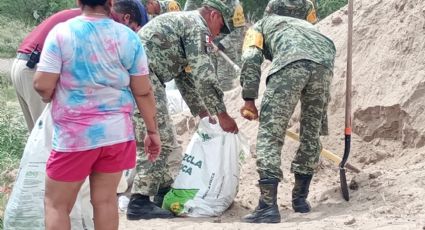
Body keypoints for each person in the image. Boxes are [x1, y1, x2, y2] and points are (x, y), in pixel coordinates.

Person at [33, 0, 160, 229]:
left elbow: (42, 84)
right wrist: (152, 131)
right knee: (105, 201)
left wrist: (49, 95)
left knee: (56, 205)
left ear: (78, 1)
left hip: (74, 138)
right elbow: (143, 91)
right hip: (116, 135)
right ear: (110, 3)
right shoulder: (128, 37)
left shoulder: (62, 32)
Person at [126, 0, 241, 220]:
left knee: (166, 138)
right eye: (221, 27)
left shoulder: (187, 24)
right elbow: (204, 76)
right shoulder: (198, 27)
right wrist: (223, 115)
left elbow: (185, 77)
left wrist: (204, 113)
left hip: (147, 76)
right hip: (144, 77)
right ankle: (139, 201)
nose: (219, 34)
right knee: (156, 135)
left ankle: (161, 195)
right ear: (214, 15)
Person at [238, 7, 336, 224]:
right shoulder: (307, 26)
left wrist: (248, 99)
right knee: (311, 134)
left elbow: (251, 57)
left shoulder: (262, 24)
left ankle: (267, 206)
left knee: (270, 135)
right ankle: (300, 200)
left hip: (291, 62)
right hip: (325, 63)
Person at [10, 0, 149, 132]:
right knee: (50, 142)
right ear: (126, 18)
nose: (134, 34)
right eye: (135, 29)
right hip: (36, 70)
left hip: (24, 64)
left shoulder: (86, 15)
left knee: (38, 139)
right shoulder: (104, 25)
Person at [184, 0, 246, 91]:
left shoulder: (235, 5)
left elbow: (239, 31)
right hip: (208, 44)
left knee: (225, 82)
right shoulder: (207, 3)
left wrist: (222, 44)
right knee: (209, 81)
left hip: (227, 49)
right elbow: (188, 16)